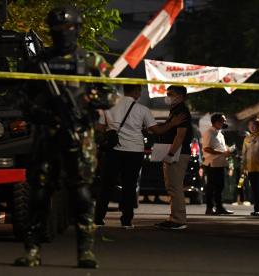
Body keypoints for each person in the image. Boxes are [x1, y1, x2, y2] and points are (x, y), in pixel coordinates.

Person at [14, 6, 114, 268]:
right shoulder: (40, 62)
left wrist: (86, 100)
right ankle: (32, 249)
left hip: (80, 136)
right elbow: (22, 97)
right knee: (38, 193)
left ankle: (85, 251)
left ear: (77, 29)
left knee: (81, 193)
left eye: (68, 29)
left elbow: (111, 95)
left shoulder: (91, 61)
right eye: (58, 30)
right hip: (47, 135)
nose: (63, 34)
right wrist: (41, 112)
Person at [94, 84, 185, 228]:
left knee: (106, 185)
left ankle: (98, 219)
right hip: (134, 151)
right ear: (136, 92)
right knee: (129, 186)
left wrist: (111, 130)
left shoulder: (109, 108)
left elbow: (99, 128)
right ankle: (126, 220)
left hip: (113, 151)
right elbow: (157, 131)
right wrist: (172, 124)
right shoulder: (143, 110)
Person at [154, 85, 193, 230]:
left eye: (171, 94)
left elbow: (180, 134)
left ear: (181, 96)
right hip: (176, 152)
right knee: (172, 186)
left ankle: (178, 219)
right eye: (167, 93)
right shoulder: (175, 110)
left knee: (175, 187)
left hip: (178, 153)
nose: (167, 96)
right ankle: (174, 217)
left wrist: (171, 153)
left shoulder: (181, 111)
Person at [202, 113, 234, 215]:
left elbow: (221, 148)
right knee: (211, 187)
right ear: (216, 122)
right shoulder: (209, 132)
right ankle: (209, 208)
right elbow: (206, 148)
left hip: (220, 163)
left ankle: (219, 207)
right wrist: (222, 153)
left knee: (220, 187)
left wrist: (227, 151)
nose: (224, 122)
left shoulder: (220, 133)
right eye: (222, 120)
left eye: (224, 120)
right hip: (212, 164)